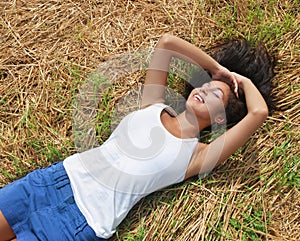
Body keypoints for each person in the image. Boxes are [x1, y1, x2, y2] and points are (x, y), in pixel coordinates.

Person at [0, 33, 275, 241]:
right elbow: (167, 43)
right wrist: (217, 69)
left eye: (215, 95)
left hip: (80, 221)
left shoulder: (199, 155)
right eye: (204, 85)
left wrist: (245, 82)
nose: (204, 90)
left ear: (220, 118)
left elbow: (258, 112)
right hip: (53, 181)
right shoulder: (152, 104)